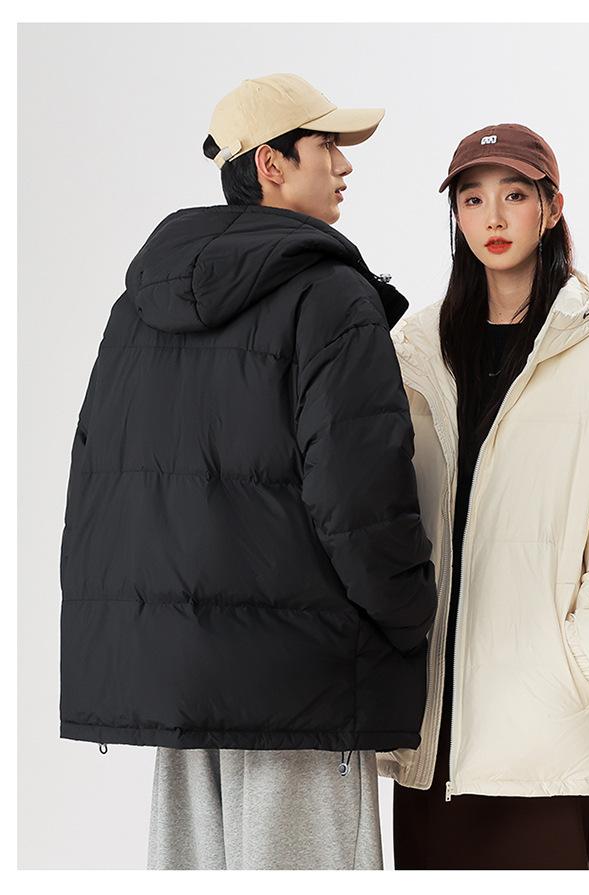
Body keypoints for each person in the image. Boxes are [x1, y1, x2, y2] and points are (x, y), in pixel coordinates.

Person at [59, 73, 437, 870]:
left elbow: (100, 485)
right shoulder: (332, 297)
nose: (345, 165)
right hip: (306, 684)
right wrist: (411, 622)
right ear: (271, 163)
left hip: (181, 684)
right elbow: (359, 495)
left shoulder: (139, 308)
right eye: (327, 146)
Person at [377, 123, 589, 870]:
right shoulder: (415, 348)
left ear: (552, 208)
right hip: (434, 732)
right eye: (472, 198)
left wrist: (578, 667)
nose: (493, 216)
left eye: (515, 195)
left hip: (551, 730)